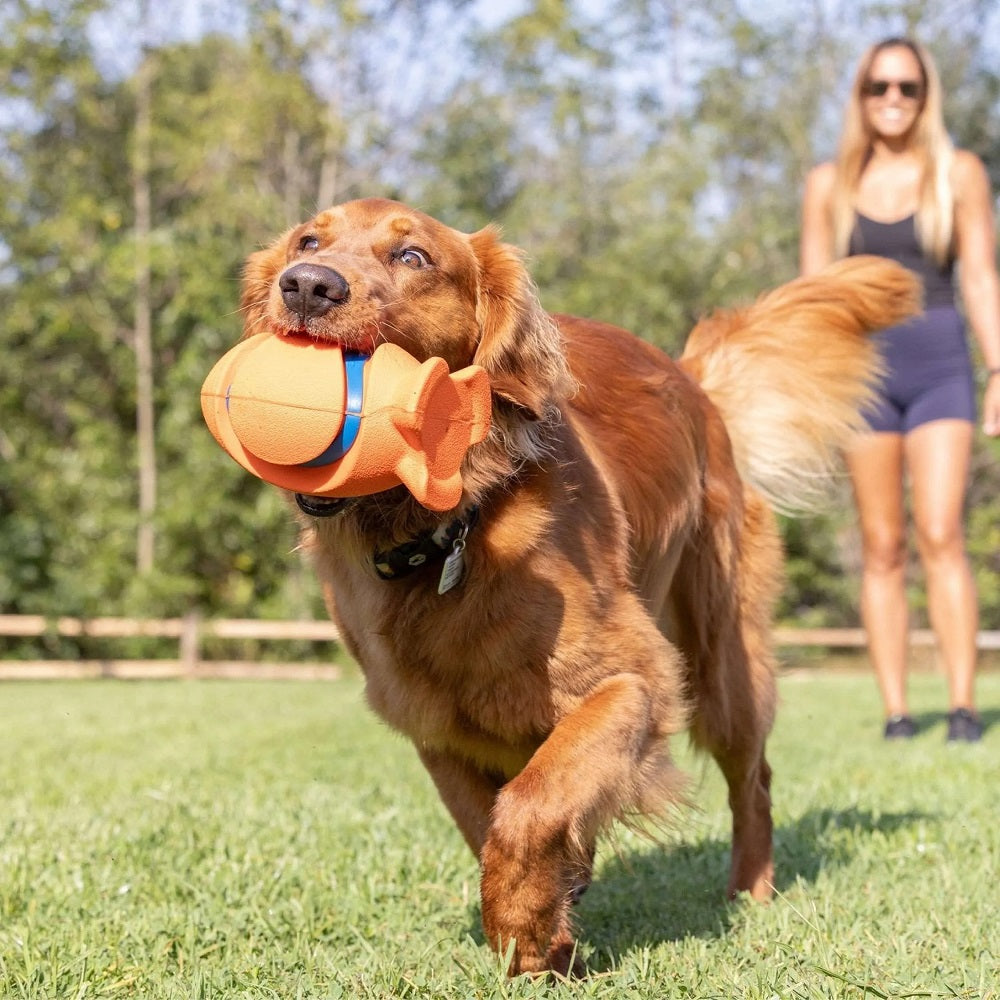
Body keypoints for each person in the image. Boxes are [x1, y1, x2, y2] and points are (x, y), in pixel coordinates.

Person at [800, 36, 1000, 742]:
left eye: (907, 88)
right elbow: (814, 296)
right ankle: (896, 712)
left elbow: (979, 276)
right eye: (879, 87)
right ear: (860, 95)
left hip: (943, 366)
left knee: (942, 533)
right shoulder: (830, 183)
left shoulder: (960, 172)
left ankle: (964, 708)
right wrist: (811, 392)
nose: (892, 99)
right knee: (882, 544)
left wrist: (999, 366)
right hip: (865, 380)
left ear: (925, 97)